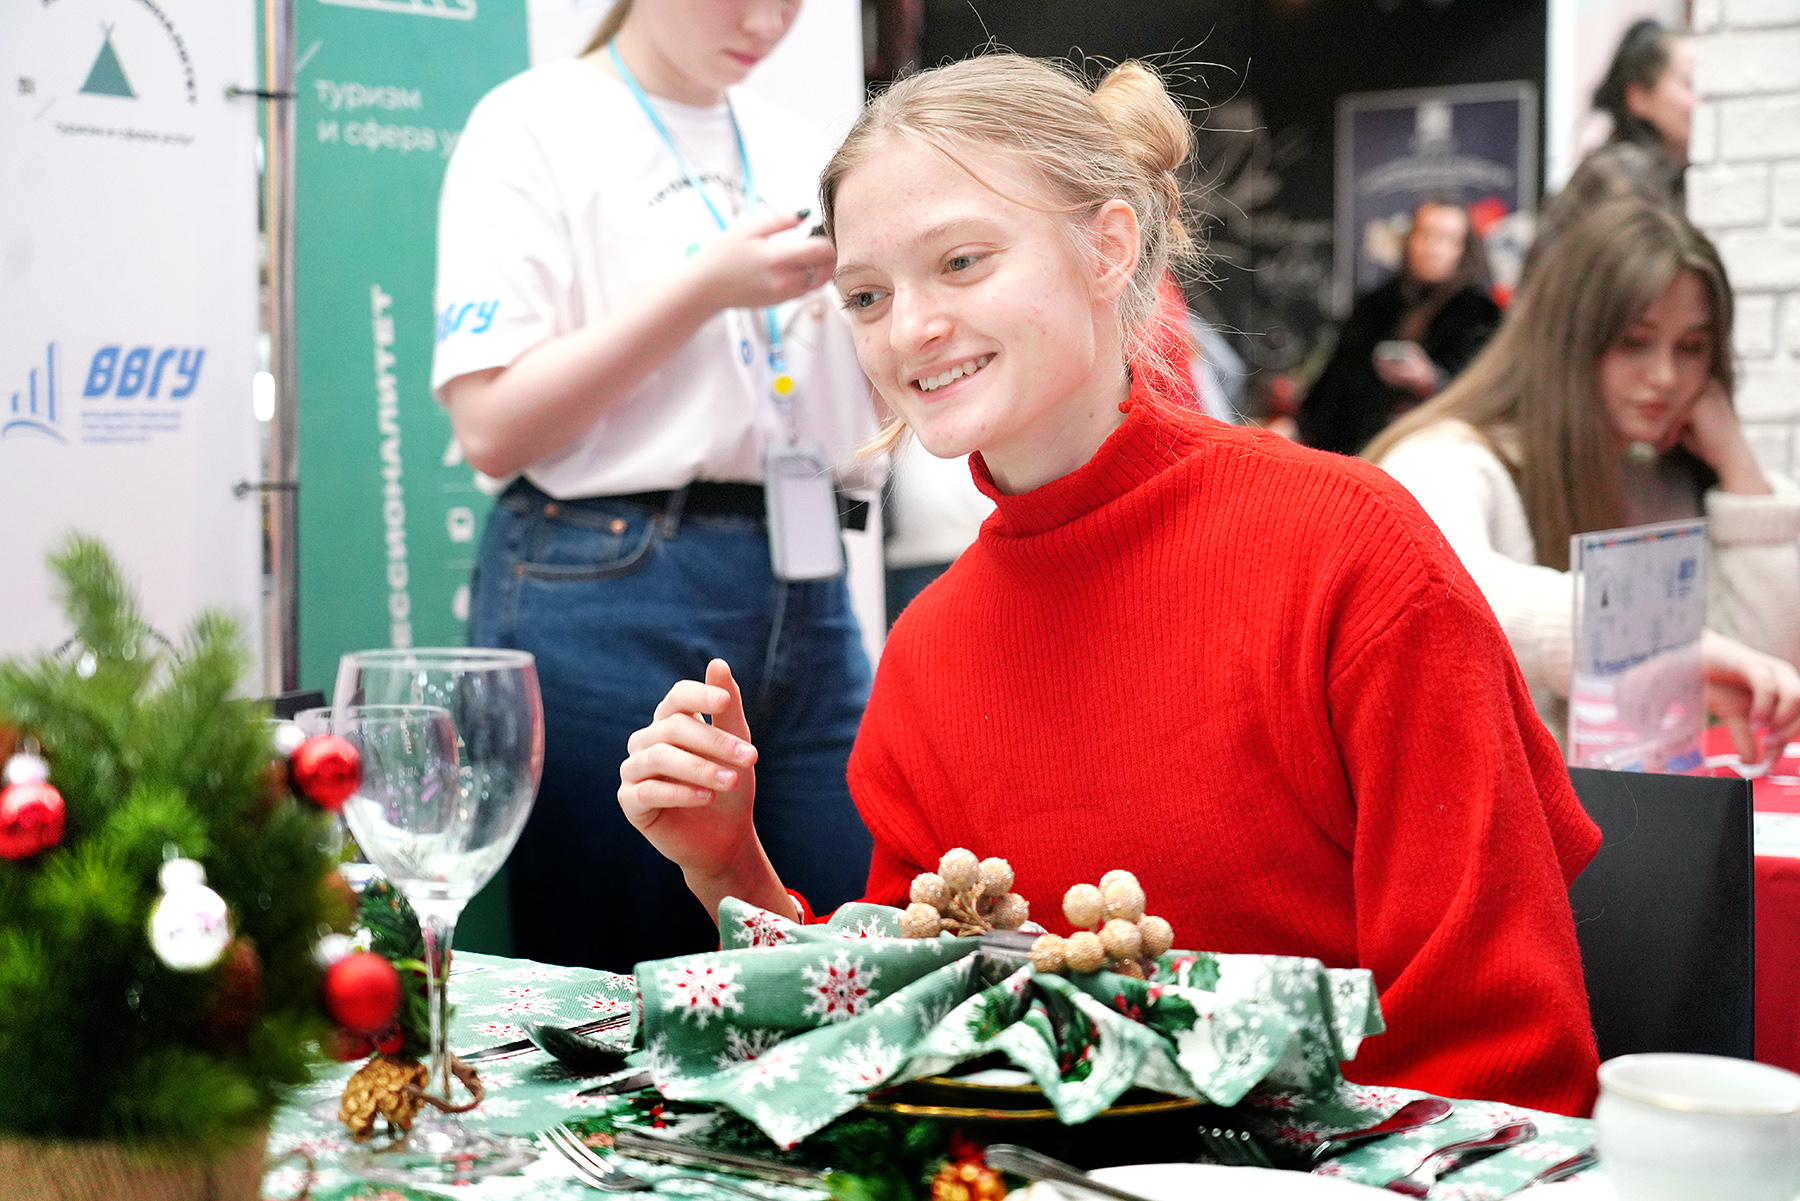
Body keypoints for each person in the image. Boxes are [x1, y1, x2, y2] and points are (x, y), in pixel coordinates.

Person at [618, 53, 1605, 1116]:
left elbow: (1506, 1054)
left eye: (961, 261)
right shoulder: (927, 652)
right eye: (867, 294)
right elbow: (912, 1031)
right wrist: (732, 869)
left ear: (1109, 247)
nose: (908, 328)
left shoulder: (1347, 550)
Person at [431, 0, 879, 972]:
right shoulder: (534, 123)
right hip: (606, 576)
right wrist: (703, 288)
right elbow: (491, 426)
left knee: (850, 945)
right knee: (621, 975)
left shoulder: (799, 146)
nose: (768, 19)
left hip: (806, 575)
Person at [1369, 198, 1800, 764]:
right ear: (1567, 341)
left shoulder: (1655, 476)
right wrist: (1644, 637)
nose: (1665, 376)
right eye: (1634, 341)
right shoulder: (1446, 458)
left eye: (1691, 348)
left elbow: (1762, 683)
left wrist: (1737, 461)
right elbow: (1448, 591)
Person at [1298, 198, 1500, 456]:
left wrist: (1430, 379)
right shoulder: (1375, 304)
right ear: (1409, 239)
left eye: (1447, 239)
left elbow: (1484, 397)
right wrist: (1299, 425)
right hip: (1354, 449)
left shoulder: (1481, 314)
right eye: (1425, 234)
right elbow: (1334, 381)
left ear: (1464, 249)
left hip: (1434, 453)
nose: (1433, 248)